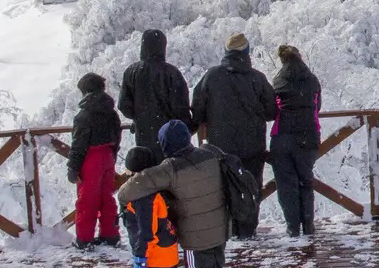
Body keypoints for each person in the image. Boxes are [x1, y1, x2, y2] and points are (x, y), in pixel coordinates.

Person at [118, 120, 233, 268]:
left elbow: (130, 190)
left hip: (196, 240)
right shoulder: (209, 155)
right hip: (220, 231)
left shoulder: (169, 169)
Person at [191, 32, 274, 237]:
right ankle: (247, 230)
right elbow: (272, 111)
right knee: (251, 186)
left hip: (221, 145)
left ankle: (227, 230)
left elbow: (198, 108)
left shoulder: (212, 76)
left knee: (223, 187)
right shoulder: (257, 78)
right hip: (253, 144)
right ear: (246, 52)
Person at [117, 146, 181, 268]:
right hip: (166, 253)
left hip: (156, 258)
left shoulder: (142, 196)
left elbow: (147, 232)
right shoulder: (155, 188)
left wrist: (140, 256)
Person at [269, 44, 323, 238]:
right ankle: (308, 225)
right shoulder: (312, 80)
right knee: (306, 181)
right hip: (308, 136)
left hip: (282, 136)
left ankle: (292, 227)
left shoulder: (278, 81)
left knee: (286, 184)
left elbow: (271, 110)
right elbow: (317, 107)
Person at [66, 72, 123, 248]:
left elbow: (78, 144)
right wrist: (112, 153)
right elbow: (117, 135)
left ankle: (84, 239)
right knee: (107, 198)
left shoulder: (84, 116)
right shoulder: (111, 113)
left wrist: (73, 168)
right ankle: (110, 235)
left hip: (91, 158)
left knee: (87, 201)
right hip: (108, 155)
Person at [119, 29, 190, 152]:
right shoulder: (172, 73)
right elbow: (181, 107)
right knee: (170, 169)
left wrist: (140, 117)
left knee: (147, 168)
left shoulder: (131, 72)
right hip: (170, 138)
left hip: (143, 136)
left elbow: (123, 105)